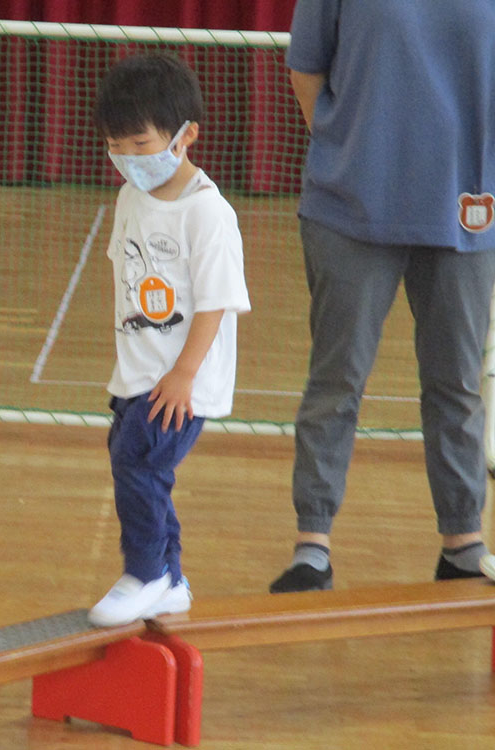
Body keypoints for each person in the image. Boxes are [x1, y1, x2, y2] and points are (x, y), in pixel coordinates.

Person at [270, 0, 495, 593]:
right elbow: (306, 66)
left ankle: (463, 540)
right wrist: (352, 153)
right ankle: (312, 543)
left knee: (457, 383)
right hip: (349, 210)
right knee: (336, 380)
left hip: (466, 211)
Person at [87, 54, 251, 627]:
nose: (128, 157)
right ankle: (172, 580)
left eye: (140, 142)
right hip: (138, 372)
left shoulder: (207, 213)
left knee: (139, 465)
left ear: (186, 137)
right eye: (116, 144)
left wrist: (183, 375)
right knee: (134, 462)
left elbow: (216, 302)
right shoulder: (131, 198)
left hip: (181, 378)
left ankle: (147, 572)